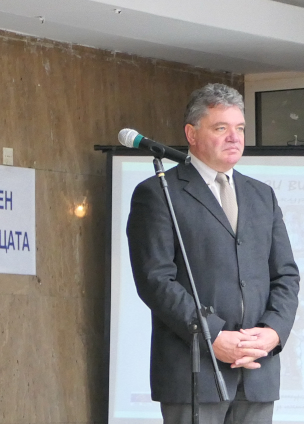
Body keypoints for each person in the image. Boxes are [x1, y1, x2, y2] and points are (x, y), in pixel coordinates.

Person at [127, 83, 300, 424]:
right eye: (221, 128)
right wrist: (214, 335)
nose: (234, 137)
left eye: (240, 128)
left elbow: (286, 275)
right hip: (194, 373)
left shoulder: (262, 195)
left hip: (257, 371)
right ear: (191, 134)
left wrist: (272, 332)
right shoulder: (159, 192)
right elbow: (155, 279)